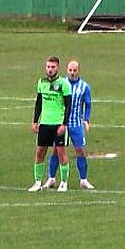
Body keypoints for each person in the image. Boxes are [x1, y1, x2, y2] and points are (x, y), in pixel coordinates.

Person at [47, 60, 95, 190]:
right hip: (61, 123)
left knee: (80, 150)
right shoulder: (61, 84)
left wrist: (86, 120)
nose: (72, 73)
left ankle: (83, 180)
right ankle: (51, 178)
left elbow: (88, 104)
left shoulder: (84, 86)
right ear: (66, 70)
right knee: (56, 150)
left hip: (76, 123)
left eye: (75, 70)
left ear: (78, 70)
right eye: (70, 70)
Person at [28, 56, 72, 192]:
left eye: (53, 67)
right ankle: (37, 182)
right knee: (40, 152)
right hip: (44, 124)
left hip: (58, 123)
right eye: (48, 67)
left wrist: (64, 124)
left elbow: (68, 105)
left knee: (61, 153)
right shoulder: (41, 82)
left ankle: (64, 182)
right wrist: (35, 121)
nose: (50, 69)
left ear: (57, 67)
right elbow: (39, 103)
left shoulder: (64, 84)